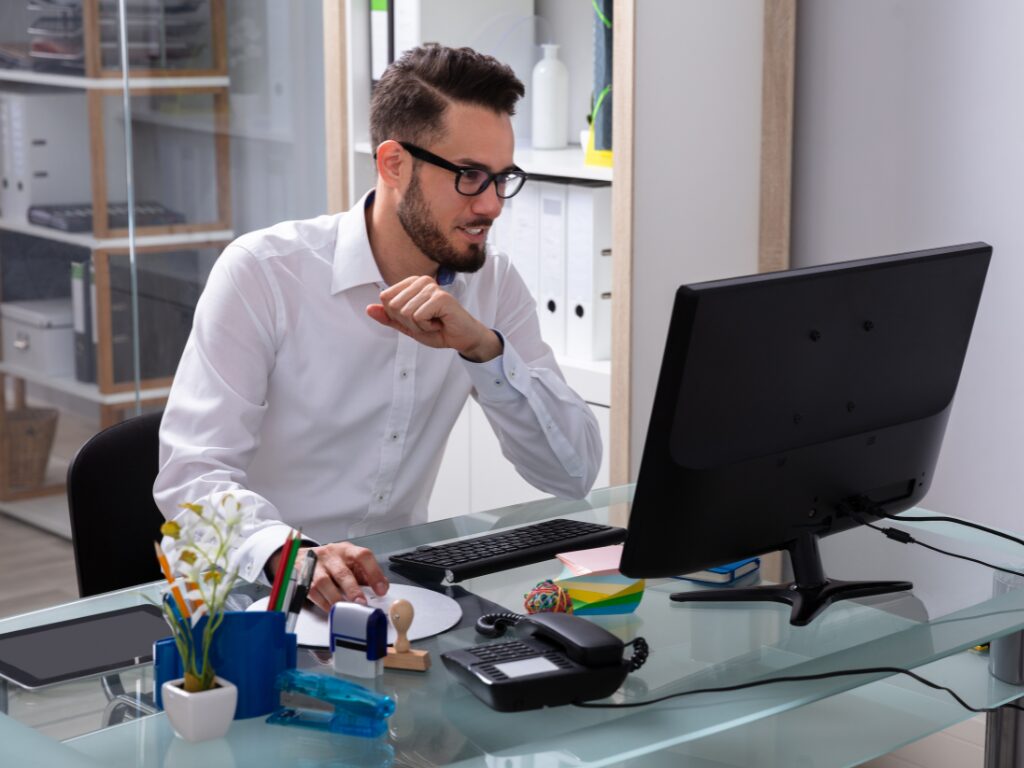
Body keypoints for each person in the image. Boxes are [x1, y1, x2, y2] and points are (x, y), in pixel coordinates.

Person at [154, 45, 601, 612]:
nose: (491, 206)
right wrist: (292, 556)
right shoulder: (264, 273)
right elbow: (191, 476)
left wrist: (484, 351)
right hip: (249, 602)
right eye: (469, 176)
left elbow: (573, 473)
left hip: (396, 602)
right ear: (394, 164)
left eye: (501, 178)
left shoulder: (494, 284)